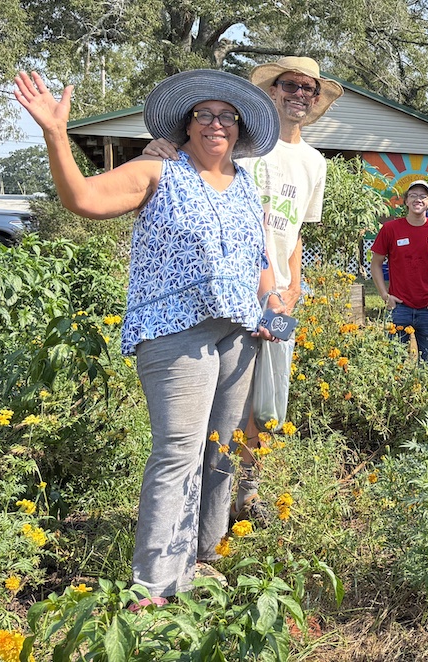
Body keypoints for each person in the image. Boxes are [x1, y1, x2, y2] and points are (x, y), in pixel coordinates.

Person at [14, 68, 281, 607]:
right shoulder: (159, 168)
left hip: (240, 335)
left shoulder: (247, 184)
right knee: (179, 451)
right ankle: (155, 587)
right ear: (186, 123)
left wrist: (272, 309)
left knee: (220, 450)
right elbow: (82, 199)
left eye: (226, 116)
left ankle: (203, 558)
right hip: (174, 332)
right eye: (203, 115)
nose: (214, 124)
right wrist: (54, 134)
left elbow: (259, 262)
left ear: (240, 127)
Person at [143, 56, 342, 525]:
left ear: (315, 100)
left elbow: (294, 234)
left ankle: (248, 493)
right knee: (225, 402)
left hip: (277, 296)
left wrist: (290, 290)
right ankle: (199, 505)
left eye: (308, 89)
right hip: (226, 290)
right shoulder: (244, 145)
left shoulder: (315, 162)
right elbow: (188, 163)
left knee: (270, 398)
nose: (299, 94)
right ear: (271, 91)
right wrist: (159, 148)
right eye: (290, 84)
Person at [371, 181, 428, 363]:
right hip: (399, 307)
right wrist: (385, 296)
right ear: (406, 201)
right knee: (395, 367)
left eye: (423, 196)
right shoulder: (391, 229)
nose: (418, 199)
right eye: (413, 195)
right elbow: (375, 264)